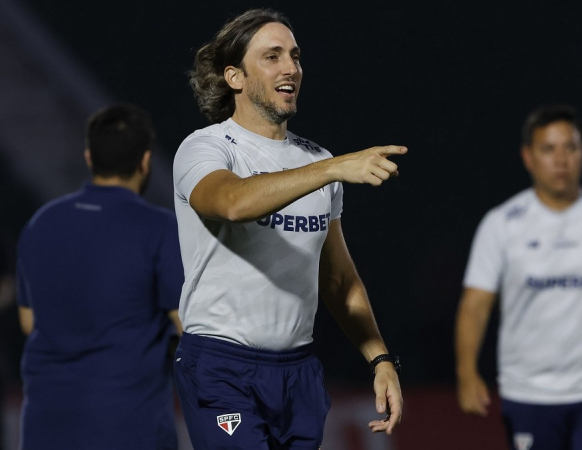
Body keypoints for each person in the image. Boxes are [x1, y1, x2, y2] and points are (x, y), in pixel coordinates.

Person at [172, 8, 404, 449]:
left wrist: (381, 359)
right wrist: (333, 168)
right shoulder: (205, 147)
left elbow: (337, 278)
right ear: (234, 77)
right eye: (272, 56)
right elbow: (234, 202)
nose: (291, 68)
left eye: (295, 56)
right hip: (223, 366)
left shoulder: (318, 160)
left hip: (298, 370)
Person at [455, 104, 582, 450]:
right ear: (528, 157)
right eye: (549, 149)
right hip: (530, 393)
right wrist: (466, 372)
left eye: (571, 147)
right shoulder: (502, 223)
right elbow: (475, 305)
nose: (561, 159)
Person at [16, 104, 184, 450]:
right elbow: (189, 327)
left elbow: (29, 321)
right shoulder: (160, 229)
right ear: (145, 162)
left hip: (46, 424)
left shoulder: (42, 222)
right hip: (128, 426)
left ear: (90, 158)